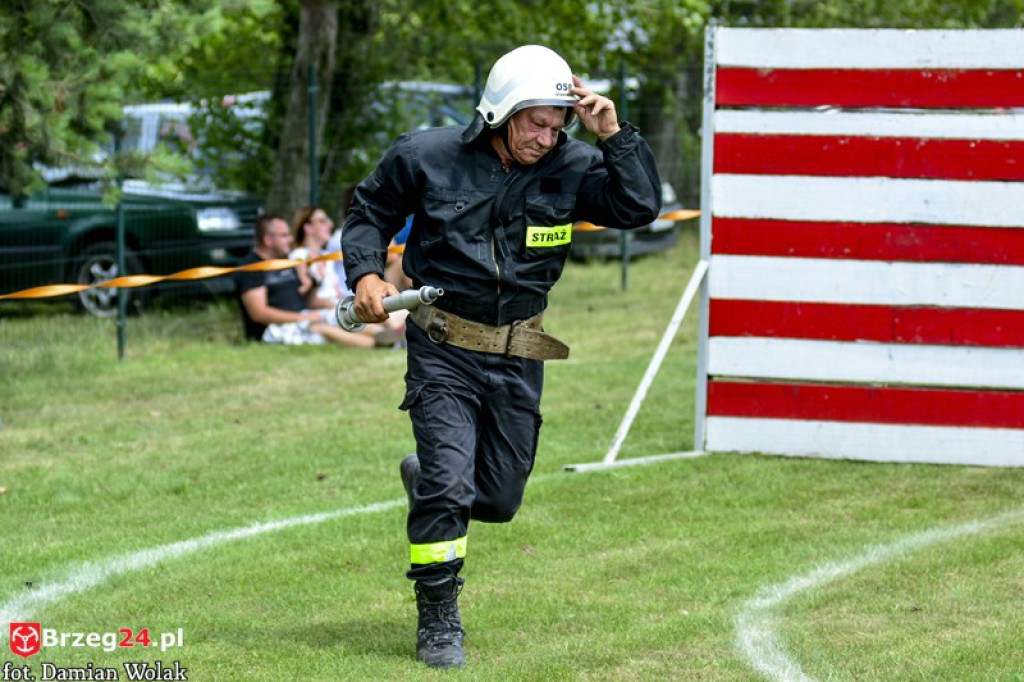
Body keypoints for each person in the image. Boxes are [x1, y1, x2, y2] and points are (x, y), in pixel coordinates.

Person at [342, 45, 662, 668]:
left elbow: (639, 207)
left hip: (520, 352)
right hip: (442, 348)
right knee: (449, 484)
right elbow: (369, 210)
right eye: (533, 122)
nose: (545, 137)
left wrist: (613, 135)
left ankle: (429, 478)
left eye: (556, 124)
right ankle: (439, 618)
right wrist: (364, 275)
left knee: (498, 498)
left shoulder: (573, 163)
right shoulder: (426, 155)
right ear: (500, 111)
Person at [235, 214, 391, 349]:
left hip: (304, 316)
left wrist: (319, 287)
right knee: (321, 328)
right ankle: (380, 345)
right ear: (268, 240)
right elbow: (258, 313)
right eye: (284, 235)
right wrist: (304, 318)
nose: (290, 240)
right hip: (275, 329)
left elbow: (308, 300)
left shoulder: (287, 262)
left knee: (340, 317)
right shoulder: (251, 267)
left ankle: (388, 337)